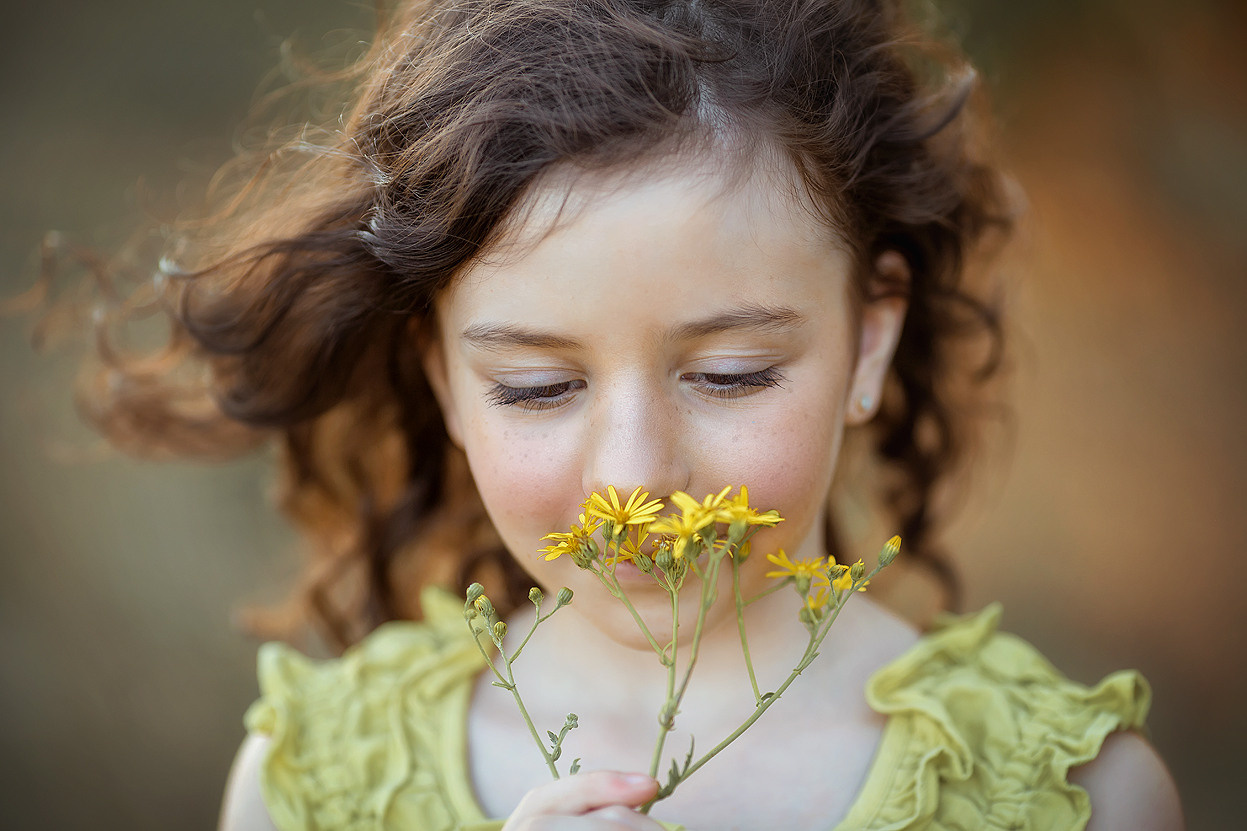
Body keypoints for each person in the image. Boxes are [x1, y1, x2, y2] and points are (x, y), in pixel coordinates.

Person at [66, 0, 1181, 828]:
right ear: (446, 380)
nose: (635, 479)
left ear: (868, 340)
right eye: (539, 388)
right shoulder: (306, 789)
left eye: (733, 373)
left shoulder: (1081, 795)